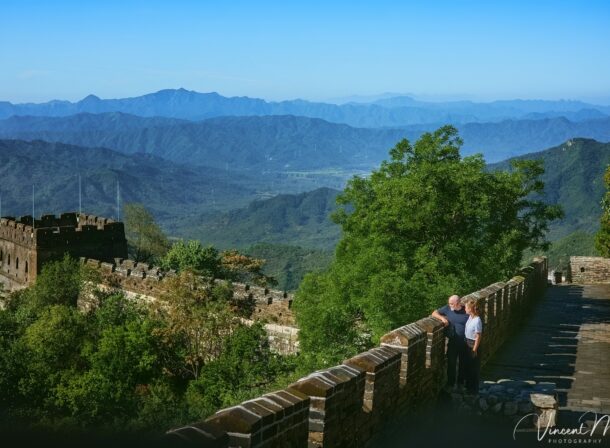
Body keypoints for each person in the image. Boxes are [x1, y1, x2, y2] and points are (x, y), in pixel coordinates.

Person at [431, 294, 469, 391]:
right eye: (449, 303)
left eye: (452, 304)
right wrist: (442, 318)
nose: (450, 305)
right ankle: (450, 384)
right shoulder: (447, 308)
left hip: (465, 343)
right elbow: (434, 313)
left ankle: (461, 383)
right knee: (451, 363)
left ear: (458, 303)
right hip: (453, 342)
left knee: (463, 364)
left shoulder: (466, 310)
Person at [464, 298, 483, 394]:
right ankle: (468, 387)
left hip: (473, 345)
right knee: (468, 366)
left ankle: (473, 390)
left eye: (466, 307)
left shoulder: (477, 320)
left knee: (474, 368)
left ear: (471, 309)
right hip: (467, 343)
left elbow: (478, 336)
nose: (465, 309)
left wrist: (474, 350)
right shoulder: (470, 317)